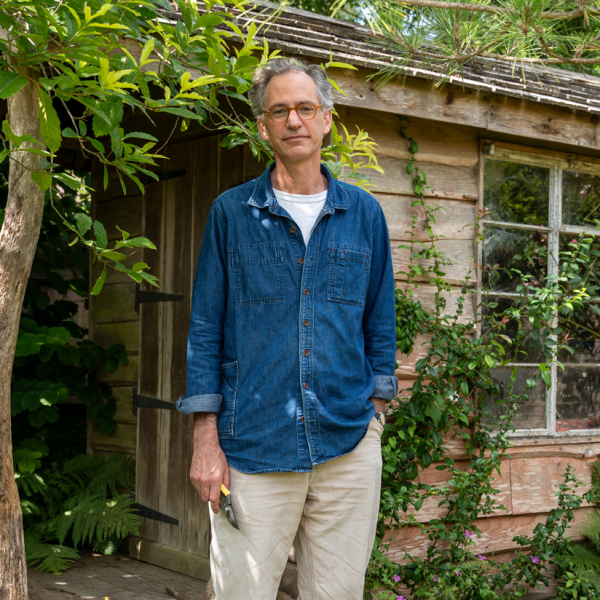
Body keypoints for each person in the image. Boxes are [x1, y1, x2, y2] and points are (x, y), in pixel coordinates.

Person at [176, 57, 398, 600]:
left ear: (327, 119)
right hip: (253, 447)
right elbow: (205, 327)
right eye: (279, 111)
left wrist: (376, 408)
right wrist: (205, 438)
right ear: (263, 127)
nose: (293, 120)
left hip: (348, 443)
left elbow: (380, 320)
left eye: (305, 108)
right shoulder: (232, 214)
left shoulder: (365, 214)